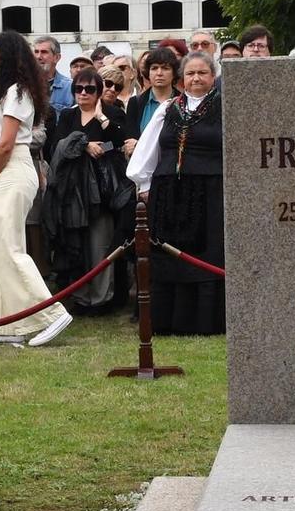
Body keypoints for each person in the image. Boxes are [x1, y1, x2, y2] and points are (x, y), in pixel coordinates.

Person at [0, 32, 73, 348]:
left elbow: (5, 145)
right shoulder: (1, 91)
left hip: (12, 169)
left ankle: (51, 314)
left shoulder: (18, 90)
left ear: (6, 55)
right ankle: (4, 327)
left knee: (9, 248)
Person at [128, 51, 226, 334]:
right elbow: (148, 149)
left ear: (213, 77)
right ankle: (168, 321)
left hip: (210, 193)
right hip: (169, 193)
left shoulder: (225, 107)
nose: (196, 78)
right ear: (183, 77)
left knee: (208, 255)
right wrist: (144, 185)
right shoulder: (168, 108)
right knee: (168, 257)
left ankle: (207, 322)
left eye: (202, 73)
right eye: (191, 73)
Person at [46, 67, 131, 312]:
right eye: (78, 89)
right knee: (78, 245)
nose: (83, 93)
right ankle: (82, 297)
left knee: (100, 244)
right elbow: (57, 146)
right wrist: (83, 145)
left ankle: (102, 298)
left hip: (102, 192)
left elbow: (120, 141)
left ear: (99, 91)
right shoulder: (69, 117)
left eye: (90, 89)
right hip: (73, 193)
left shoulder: (113, 113)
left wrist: (102, 119)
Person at [125, 44, 181, 164]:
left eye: (165, 68)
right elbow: (130, 143)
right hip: (144, 169)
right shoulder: (135, 103)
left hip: (174, 168)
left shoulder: (183, 102)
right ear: (148, 72)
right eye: (154, 68)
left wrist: (139, 145)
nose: (159, 73)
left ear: (174, 73)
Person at [34, 35, 73, 112]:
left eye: (44, 52)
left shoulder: (70, 87)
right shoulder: (24, 86)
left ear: (57, 58)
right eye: (36, 52)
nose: (39, 56)